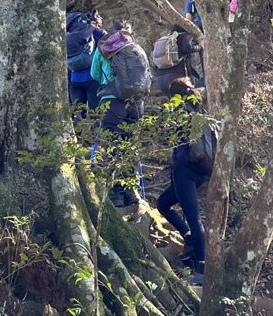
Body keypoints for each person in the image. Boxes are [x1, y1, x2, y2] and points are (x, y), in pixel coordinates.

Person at [156, 78, 213, 286]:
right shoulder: (199, 112)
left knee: (194, 217)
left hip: (184, 170)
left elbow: (168, 139)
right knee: (163, 204)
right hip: (200, 172)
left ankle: (201, 267)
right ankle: (189, 239)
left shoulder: (179, 113)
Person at [90, 20, 151, 208]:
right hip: (136, 104)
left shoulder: (105, 49)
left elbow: (94, 74)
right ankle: (131, 190)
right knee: (128, 145)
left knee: (110, 145)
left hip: (112, 101)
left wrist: (108, 81)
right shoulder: (136, 49)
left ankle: (115, 194)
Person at [67, 9, 106, 114]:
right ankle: (95, 130)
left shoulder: (68, 34)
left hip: (74, 79)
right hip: (92, 78)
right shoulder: (97, 32)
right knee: (96, 113)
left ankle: (76, 131)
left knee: (78, 115)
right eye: (99, 17)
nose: (101, 19)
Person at [152, 25, 203, 95]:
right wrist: (200, 47)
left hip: (160, 78)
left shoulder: (167, 40)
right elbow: (187, 48)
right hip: (176, 79)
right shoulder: (184, 36)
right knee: (190, 101)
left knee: (176, 103)